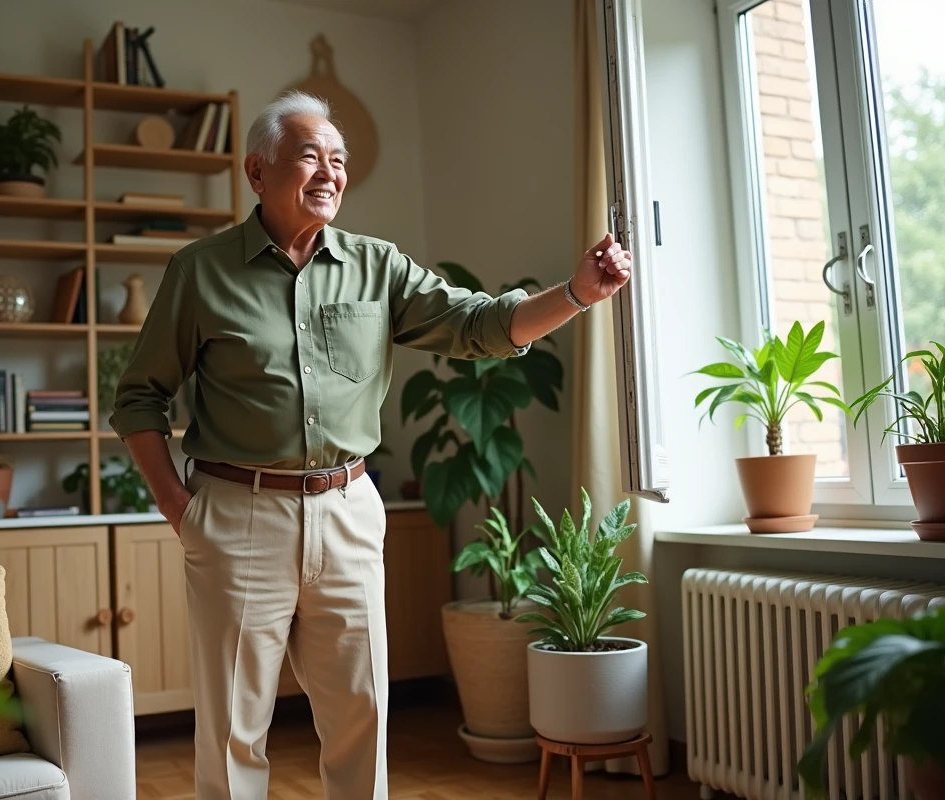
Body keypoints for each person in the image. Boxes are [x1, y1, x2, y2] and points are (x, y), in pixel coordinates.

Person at [109, 89, 632, 800]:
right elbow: (139, 396)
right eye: (308, 157)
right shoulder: (200, 271)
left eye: (338, 159)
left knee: (362, 714)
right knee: (234, 727)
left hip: (348, 509)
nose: (328, 172)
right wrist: (178, 504)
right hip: (238, 514)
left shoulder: (377, 267)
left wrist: (574, 294)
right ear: (257, 173)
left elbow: (476, 325)